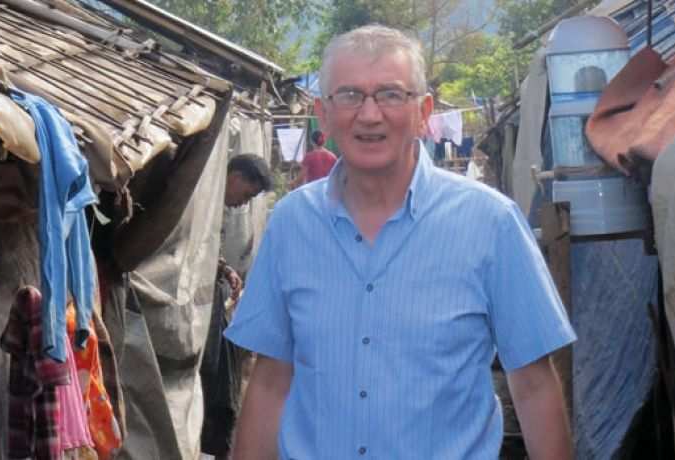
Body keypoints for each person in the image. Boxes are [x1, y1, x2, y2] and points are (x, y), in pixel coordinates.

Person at [224, 25, 576, 459]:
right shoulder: (292, 224)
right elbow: (271, 379)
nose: (370, 115)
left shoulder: (490, 223)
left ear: (423, 111)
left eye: (391, 94)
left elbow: (534, 384)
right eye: (350, 95)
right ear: (324, 113)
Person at [201, 153, 273, 458]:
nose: (243, 204)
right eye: (246, 195)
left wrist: (224, 268)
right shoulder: (201, 199)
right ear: (235, 177)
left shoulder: (213, 204)